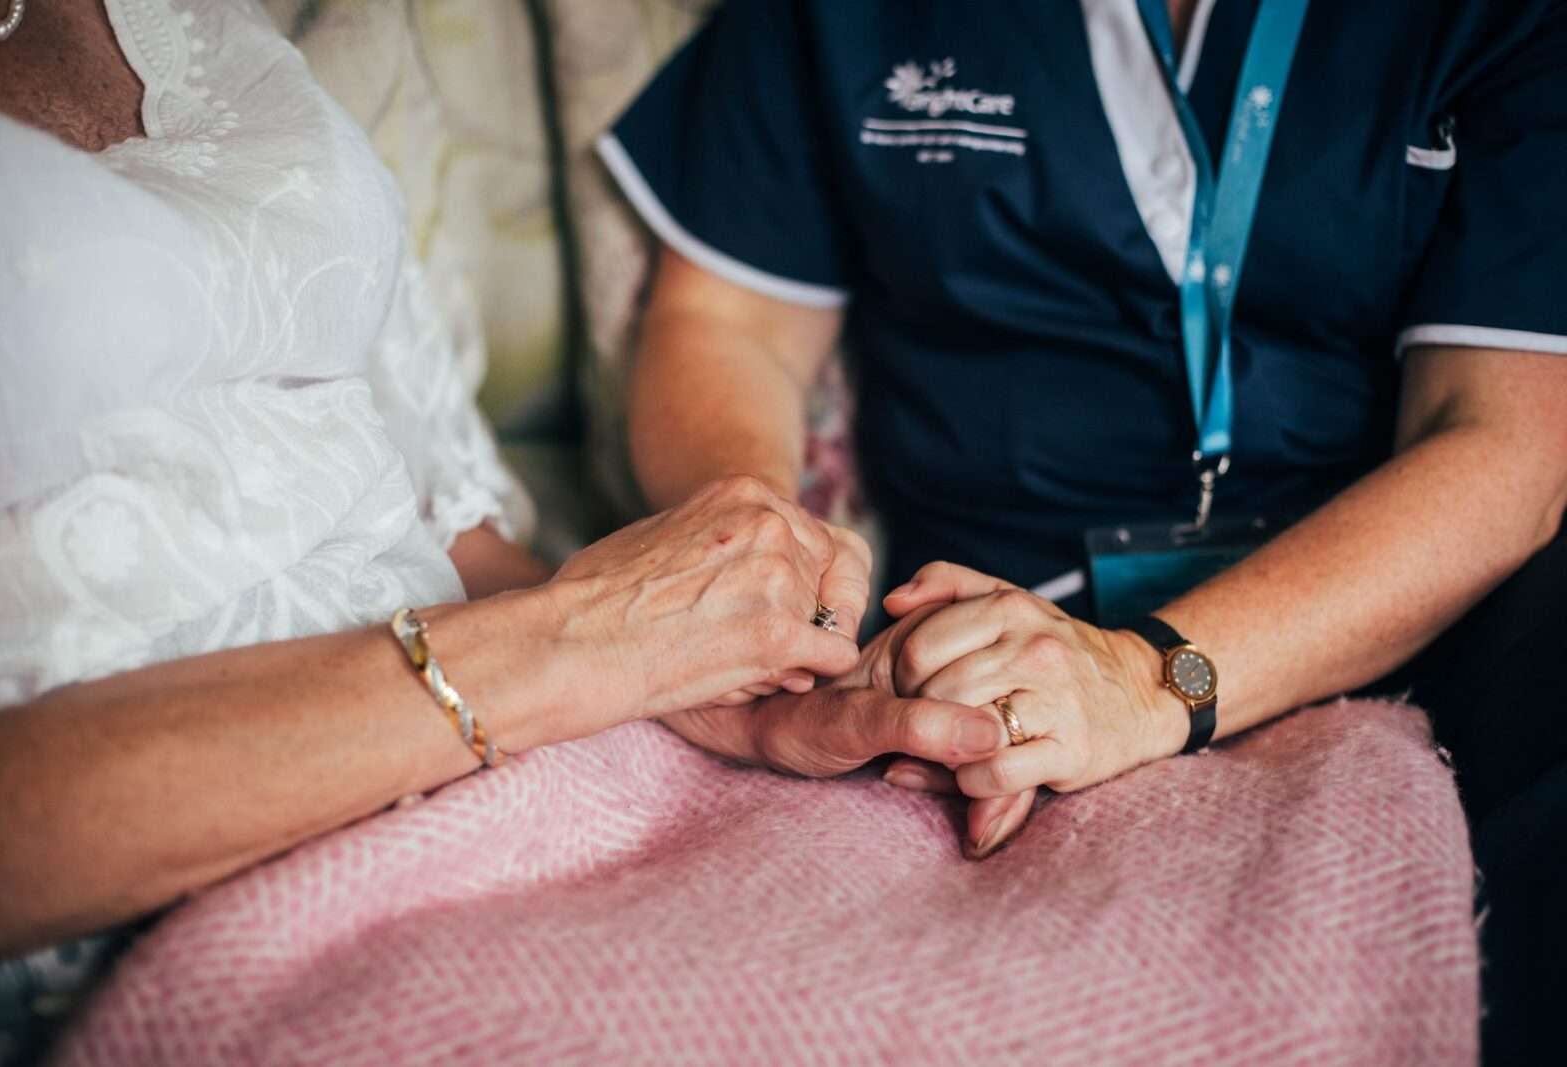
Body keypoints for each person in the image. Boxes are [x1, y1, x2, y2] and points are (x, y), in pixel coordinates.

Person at [0, 2, 1015, 1062]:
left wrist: (718, 664)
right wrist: (578, 643)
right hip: (184, 905)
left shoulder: (196, 17)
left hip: (523, 763)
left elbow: (439, 526)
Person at [601, 0, 1567, 1060]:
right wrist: (764, 545)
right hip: (972, 619)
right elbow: (723, 322)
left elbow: (1504, 448)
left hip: (1401, 610)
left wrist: (1139, 682)